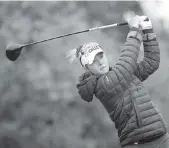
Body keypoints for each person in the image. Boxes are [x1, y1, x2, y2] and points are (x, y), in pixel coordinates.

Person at [66, 15, 169, 148]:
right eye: (93, 60)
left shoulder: (121, 73)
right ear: (87, 67)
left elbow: (151, 62)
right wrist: (134, 29)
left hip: (162, 137)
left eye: (101, 56)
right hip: (137, 145)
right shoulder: (103, 85)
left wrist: (147, 29)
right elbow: (128, 58)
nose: (100, 62)